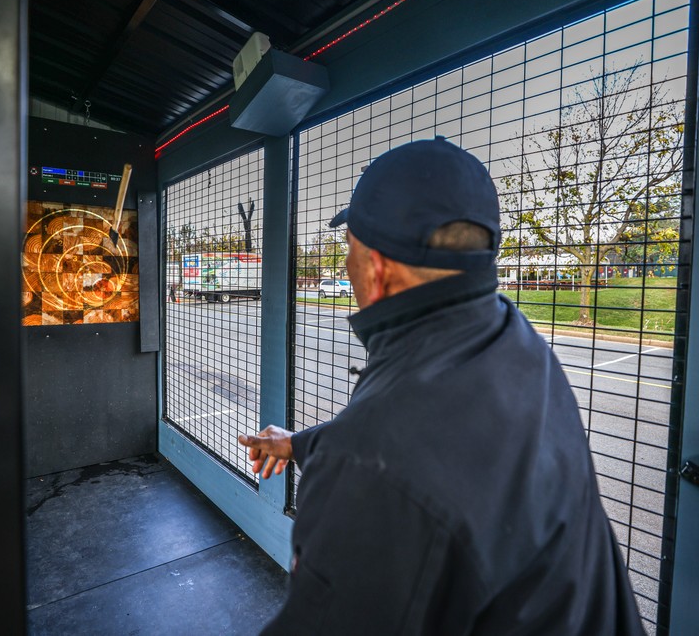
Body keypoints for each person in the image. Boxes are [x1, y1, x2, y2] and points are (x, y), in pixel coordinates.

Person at [238, 137, 645, 635]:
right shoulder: (519, 345)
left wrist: (344, 455)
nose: (346, 264)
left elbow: (391, 463)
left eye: (349, 248)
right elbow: (434, 449)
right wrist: (300, 444)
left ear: (377, 267)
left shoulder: (371, 475)